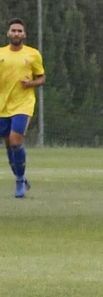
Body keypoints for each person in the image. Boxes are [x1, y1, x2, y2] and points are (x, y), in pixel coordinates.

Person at [1, 19, 44, 199]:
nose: (16, 33)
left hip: (23, 104)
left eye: (20, 31)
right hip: (3, 105)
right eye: (14, 30)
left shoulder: (33, 54)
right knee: (9, 145)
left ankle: (19, 182)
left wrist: (31, 83)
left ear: (24, 34)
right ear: (8, 33)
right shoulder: (1, 54)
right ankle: (21, 176)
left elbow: (41, 78)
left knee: (15, 140)